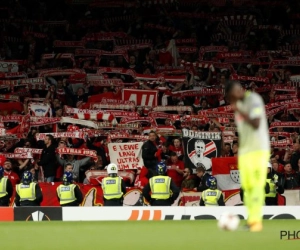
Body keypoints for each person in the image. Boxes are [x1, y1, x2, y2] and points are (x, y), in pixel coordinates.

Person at [225, 80, 270, 232]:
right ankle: (251, 220)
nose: (233, 102)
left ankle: (256, 221)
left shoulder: (253, 100)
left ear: (238, 90)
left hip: (258, 150)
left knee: (257, 185)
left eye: (233, 97)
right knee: (247, 187)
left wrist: (240, 110)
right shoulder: (238, 108)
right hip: (245, 152)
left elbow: (256, 123)